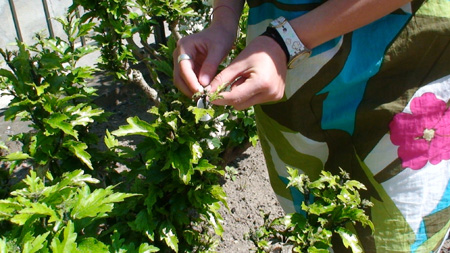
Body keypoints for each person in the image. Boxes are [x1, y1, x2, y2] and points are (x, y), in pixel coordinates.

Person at [173, 0, 450, 252]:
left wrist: (286, 41)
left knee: (391, 238)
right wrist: (223, 20)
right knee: (313, 229)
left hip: (400, 82)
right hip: (286, 82)